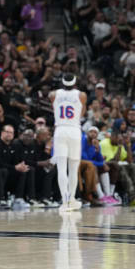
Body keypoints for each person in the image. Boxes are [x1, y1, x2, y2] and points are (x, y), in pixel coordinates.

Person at [49, 73, 86, 212]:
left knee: (61, 168)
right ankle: (71, 199)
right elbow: (82, 112)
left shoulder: (54, 94)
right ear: (75, 82)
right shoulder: (82, 95)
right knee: (73, 168)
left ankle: (64, 201)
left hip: (60, 130)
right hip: (74, 130)